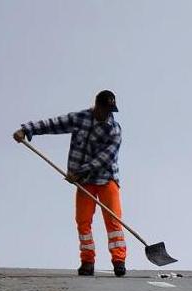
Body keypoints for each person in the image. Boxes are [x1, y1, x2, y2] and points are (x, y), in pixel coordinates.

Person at [15, 89, 126, 277]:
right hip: (84, 182)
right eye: (105, 109)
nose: (107, 114)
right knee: (83, 222)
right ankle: (87, 261)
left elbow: (104, 158)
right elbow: (53, 124)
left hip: (107, 179)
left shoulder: (115, 130)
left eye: (110, 111)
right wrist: (27, 129)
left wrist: (78, 172)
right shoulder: (80, 118)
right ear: (97, 106)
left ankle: (119, 261)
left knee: (113, 221)